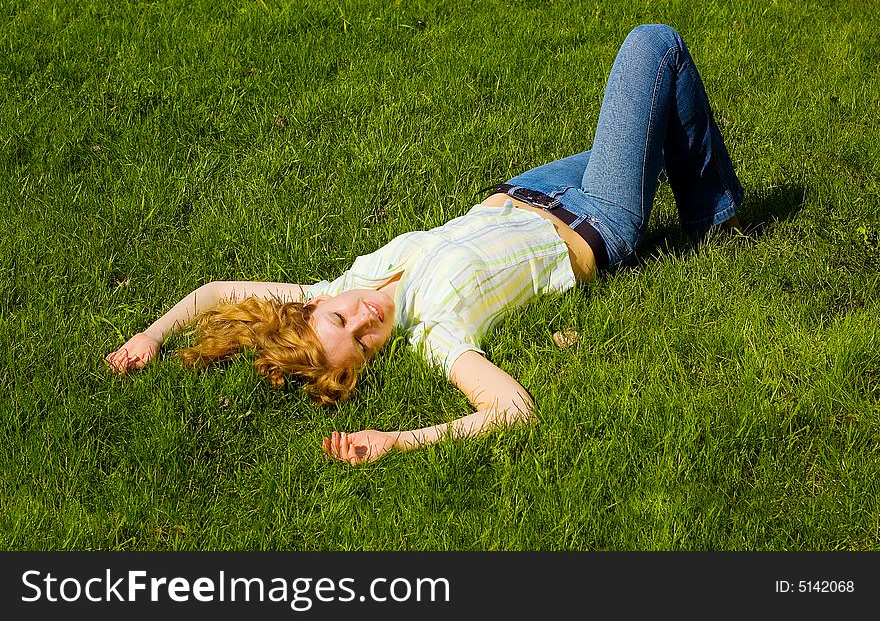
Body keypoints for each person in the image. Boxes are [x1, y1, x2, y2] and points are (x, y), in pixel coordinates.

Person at [106, 24, 744, 465]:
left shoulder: (335, 286)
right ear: (369, 362)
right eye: (360, 344)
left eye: (341, 317)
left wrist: (153, 336)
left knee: (656, 130)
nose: (363, 317)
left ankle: (712, 220)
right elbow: (510, 409)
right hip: (593, 221)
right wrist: (398, 440)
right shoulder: (435, 332)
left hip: (530, 187)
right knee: (652, 49)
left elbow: (219, 291)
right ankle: (718, 228)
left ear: (314, 307)